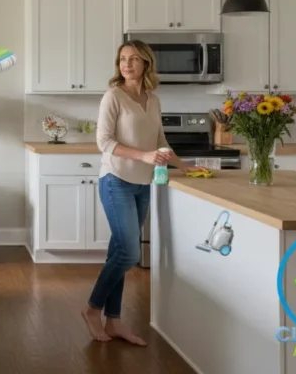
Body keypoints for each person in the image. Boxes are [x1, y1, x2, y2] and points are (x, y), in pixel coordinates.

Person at [80, 39, 204, 345]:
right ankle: (92, 309)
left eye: (134, 59)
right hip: (116, 180)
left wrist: (182, 165)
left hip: (142, 184)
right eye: (122, 59)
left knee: (118, 252)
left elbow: (160, 139)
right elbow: (104, 142)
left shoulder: (152, 99)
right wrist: (144, 156)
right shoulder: (114, 97)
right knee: (130, 253)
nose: (127, 64)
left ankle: (115, 321)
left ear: (146, 63)